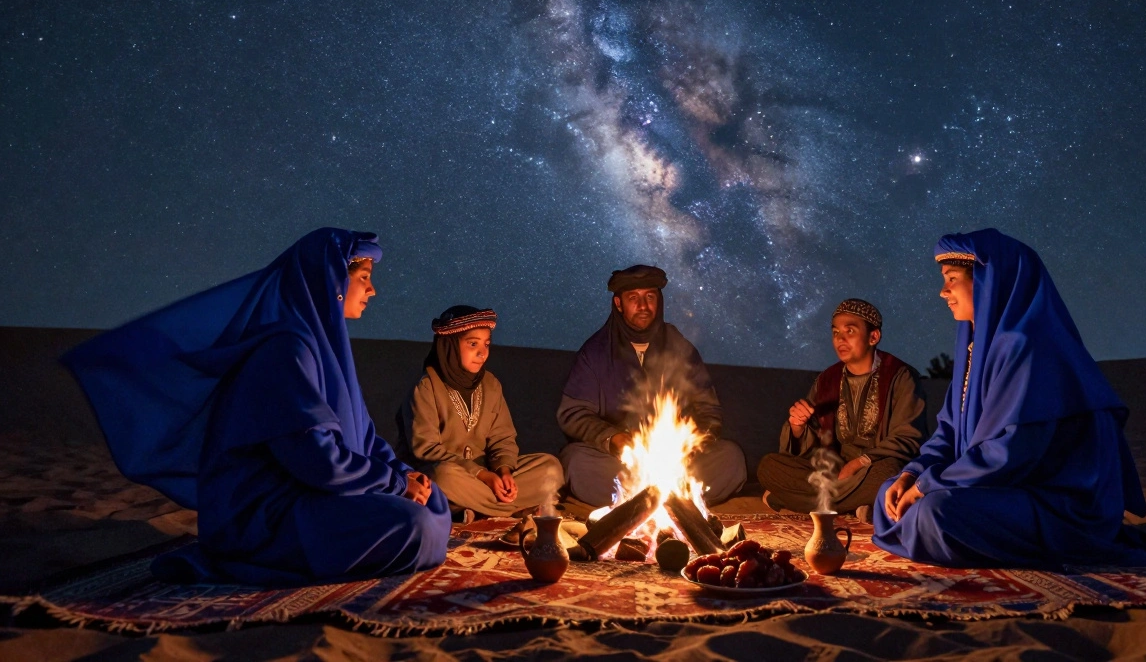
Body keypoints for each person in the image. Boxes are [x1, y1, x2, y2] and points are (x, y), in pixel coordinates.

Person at [62, 228, 451, 586]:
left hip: (326, 494)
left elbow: (366, 439)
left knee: (435, 502)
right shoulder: (285, 350)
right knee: (413, 523)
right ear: (331, 280)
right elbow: (315, 460)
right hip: (274, 515)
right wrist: (396, 484)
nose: (372, 291)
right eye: (363, 278)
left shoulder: (328, 351)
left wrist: (408, 477)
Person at [872, 229, 1146, 569]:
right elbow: (948, 431)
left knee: (936, 513)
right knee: (887, 494)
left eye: (952, 279)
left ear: (987, 281)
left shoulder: (1029, 348)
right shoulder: (974, 350)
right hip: (987, 484)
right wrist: (912, 474)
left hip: (1046, 498)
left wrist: (926, 486)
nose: (942, 291)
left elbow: (1011, 453)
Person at [557, 265, 747, 507]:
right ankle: (667, 500)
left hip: (677, 462)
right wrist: (614, 438)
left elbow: (709, 410)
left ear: (659, 301)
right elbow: (573, 414)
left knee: (731, 458)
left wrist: (690, 444)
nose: (643, 306)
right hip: (620, 463)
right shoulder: (595, 352)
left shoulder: (680, 348)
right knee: (576, 462)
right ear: (618, 304)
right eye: (633, 298)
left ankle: (647, 499)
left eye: (650, 297)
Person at [756, 299, 928, 515]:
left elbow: (908, 436)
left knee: (889, 473)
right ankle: (859, 505)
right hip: (834, 471)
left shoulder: (901, 376)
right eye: (836, 332)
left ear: (873, 337)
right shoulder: (827, 379)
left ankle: (793, 499)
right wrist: (798, 427)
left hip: (875, 467)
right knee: (769, 466)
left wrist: (860, 462)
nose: (840, 339)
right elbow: (813, 443)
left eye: (850, 331)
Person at [395, 306, 564, 520]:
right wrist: (482, 476)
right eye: (472, 344)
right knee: (441, 478)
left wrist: (503, 471)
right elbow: (426, 450)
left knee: (550, 467)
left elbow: (502, 438)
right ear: (450, 346)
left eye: (486, 344)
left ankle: (468, 508)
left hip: (485, 475)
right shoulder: (426, 387)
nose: (482, 353)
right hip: (451, 474)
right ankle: (509, 509)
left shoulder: (491, 384)